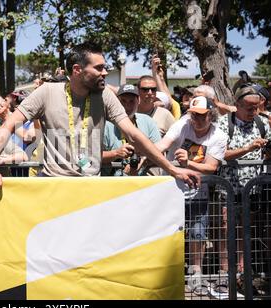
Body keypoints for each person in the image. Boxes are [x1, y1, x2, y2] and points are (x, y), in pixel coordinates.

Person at [0, 42, 200, 189]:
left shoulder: (105, 95)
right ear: (77, 70)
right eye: (99, 68)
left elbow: (134, 134)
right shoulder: (47, 91)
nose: (105, 72)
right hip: (53, 186)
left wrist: (172, 170)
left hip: (90, 188)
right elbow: (8, 126)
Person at [155, 96, 227, 296]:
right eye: (193, 114)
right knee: (168, 232)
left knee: (197, 233)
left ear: (211, 116)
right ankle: (166, 273)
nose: (196, 119)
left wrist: (188, 164)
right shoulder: (183, 124)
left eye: (201, 116)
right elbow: (163, 144)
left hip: (198, 191)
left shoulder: (218, 136)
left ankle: (195, 273)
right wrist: (147, 154)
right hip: (171, 190)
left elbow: (211, 167)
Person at [217, 84, 271, 296]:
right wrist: (247, 149)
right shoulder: (223, 124)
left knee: (247, 233)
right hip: (229, 189)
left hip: (254, 189)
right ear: (236, 105)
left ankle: (243, 275)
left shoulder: (262, 123)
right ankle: (225, 276)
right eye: (249, 108)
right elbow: (219, 154)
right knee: (227, 231)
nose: (253, 112)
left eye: (256, 107)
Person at [102, 84, 161, 176]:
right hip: (112, 182)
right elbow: (94, 156)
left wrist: (143, 160)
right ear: (116, 102)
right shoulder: (106, 125)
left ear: (138, 101)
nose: (127, 106)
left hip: (142, 182)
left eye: (131, 101)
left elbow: (160, 151)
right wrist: (116, 153)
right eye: (123, 101)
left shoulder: (148, 121)